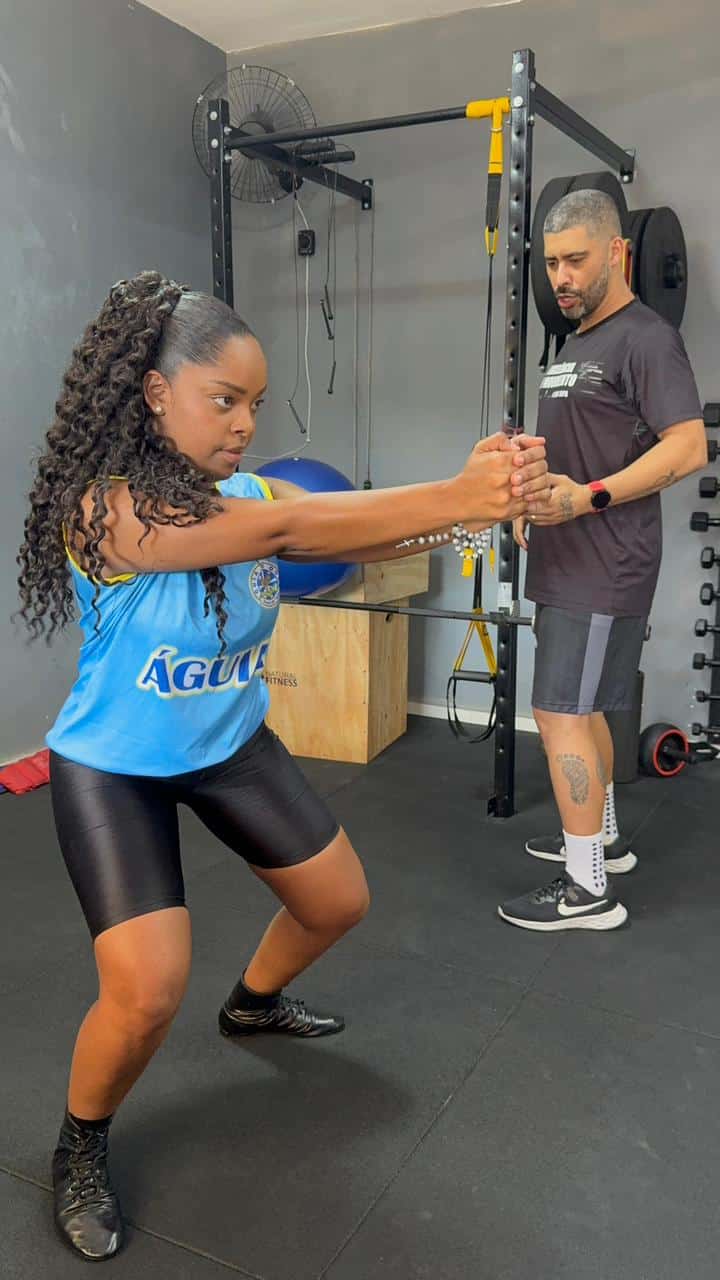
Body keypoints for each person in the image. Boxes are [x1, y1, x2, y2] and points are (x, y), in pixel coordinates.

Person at [17, 271, 549, 1262]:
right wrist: (458, 491)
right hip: (114, 767)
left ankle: (253, 1000)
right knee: (144, 987)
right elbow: (286, 530)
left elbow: (344, 532)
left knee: (337, 900)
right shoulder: (103, 514)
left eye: (256, 403)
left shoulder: (254, 492)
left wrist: (490, 503)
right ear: (151, 389)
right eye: (226, 399)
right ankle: (80, 1139)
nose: (245, 423)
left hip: (230, 745)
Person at [498, 189, 706, 933]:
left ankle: (587, 891)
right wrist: (534, 499)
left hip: (603, 560)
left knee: (558, 713)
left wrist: (583, 500)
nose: (561, 275)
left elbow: (688, 446)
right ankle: (602, 841)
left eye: (576, 259)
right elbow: (580, 446)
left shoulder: (644, 338)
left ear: (617, 253)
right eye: (552, 262)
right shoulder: (578, 341)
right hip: (565, 554)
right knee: (584, 710)